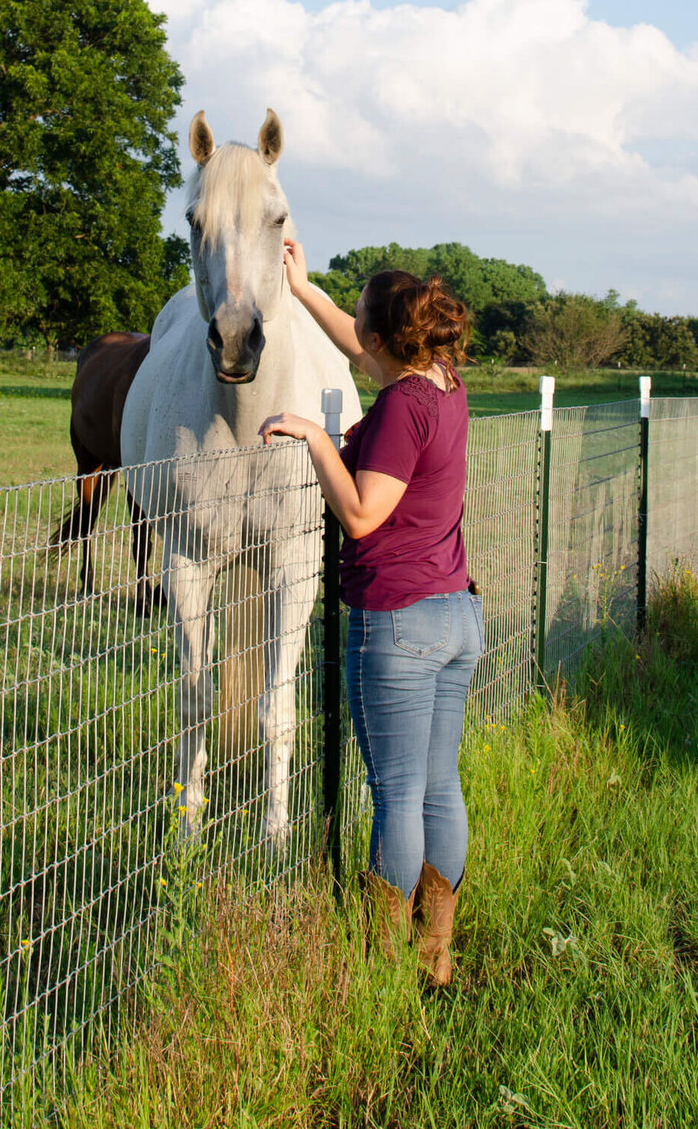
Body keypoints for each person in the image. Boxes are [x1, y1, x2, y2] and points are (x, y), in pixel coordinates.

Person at [259, 242, 482, 986]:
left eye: (360, 322)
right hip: (456, 615)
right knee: (439, 786)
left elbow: (360, 514)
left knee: (395, 795)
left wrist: (320, 438)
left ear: (385, 341)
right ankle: (436, 955)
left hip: (401, 621)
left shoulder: (397, 409)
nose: (352, 334)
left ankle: (383, 964)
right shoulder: (446, 383)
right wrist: (303, 287)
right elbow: (357, 341)